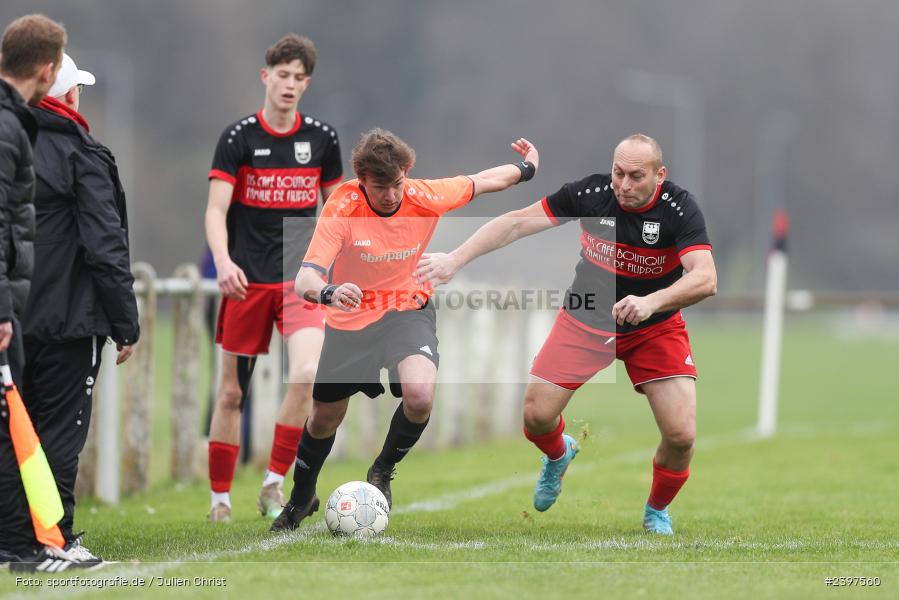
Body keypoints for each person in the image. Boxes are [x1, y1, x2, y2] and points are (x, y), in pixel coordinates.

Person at [416, 134, 716, 535]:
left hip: (654, 326)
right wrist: (455, 259)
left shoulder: (679, 209)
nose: (623, 185)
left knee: (681, 435)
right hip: (587, 317)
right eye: (618, 173)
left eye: (636, 176)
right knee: (537, 417)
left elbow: (706, 278)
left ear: (659, 175)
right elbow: (517, 222)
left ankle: (656, 511)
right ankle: (559, 455)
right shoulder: (591, 193)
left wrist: (651, 302)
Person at [270, 128, 539, 531]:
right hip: (350, 319)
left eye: (397, 184)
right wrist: (329, 291)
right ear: (362, 180)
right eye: (381, 187)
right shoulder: (342, 206)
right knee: (324, 418)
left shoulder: (424, 195)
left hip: (406, 310)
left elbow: (483, 181)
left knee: (419, 395)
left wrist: (527, 167)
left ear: (406, 172)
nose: (392, 195)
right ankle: (301, 496)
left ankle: (381, 470)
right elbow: (304, 280)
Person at [205, 33, 344, 522]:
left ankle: (273, 483)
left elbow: (338, 211)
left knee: (306, 375)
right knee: (231, 393)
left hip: (298, 280)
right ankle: (219, 500)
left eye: (298, 78)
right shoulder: (239, 137)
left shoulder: (322, 139)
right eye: (281, 75)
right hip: (247, 280)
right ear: (266, 78)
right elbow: (216, 210)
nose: (289, 85)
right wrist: (223, 262)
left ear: (307, 84)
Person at [23, 52, 139, 564]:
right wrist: (125, 322)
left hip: (11, 319)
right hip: (69, 321)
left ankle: (14, 540)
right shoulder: (82, 153)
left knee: (15, 435)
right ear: (69, 94)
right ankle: (54, 540)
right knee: (58, 436)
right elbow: (104, 246)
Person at [0, 13, 85, 572]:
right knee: (11, 431)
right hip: (6, 308)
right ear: (50, 69)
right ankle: (21, 547)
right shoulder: (7, 128)